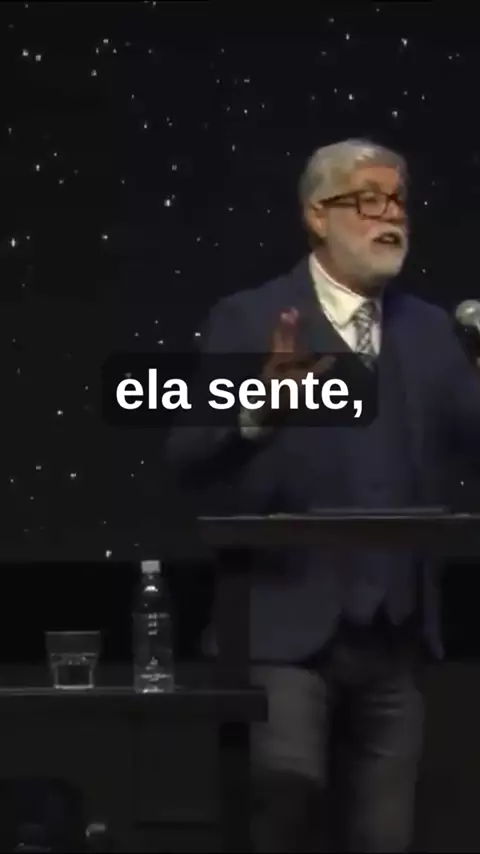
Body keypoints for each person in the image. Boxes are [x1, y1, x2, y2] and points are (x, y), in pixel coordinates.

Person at [165, 139, 480, 852]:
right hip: (283, 632)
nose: (390, 215)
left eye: (397, 201)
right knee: (287, 811)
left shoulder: (431, 330)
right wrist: (258, 412)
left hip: (395, 634)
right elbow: (187, 456)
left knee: (384, 837)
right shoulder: (249, 318)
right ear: (316, 216)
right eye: (367, 200)